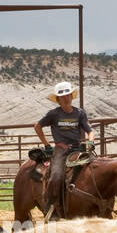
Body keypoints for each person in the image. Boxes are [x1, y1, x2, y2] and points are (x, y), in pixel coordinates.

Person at [34, 81, 93, 219]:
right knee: (56, 176)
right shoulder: (53, 114)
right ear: (58, 100)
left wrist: (90, 141)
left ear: (72, 96)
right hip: (61, 149)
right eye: (62, 97)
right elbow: (37, 126)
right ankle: (51, 207)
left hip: (78, 148)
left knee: (95, 169)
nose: (66, 98)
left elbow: (90, 131)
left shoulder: (80, 113)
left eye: (68, 95)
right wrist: (47, 144)